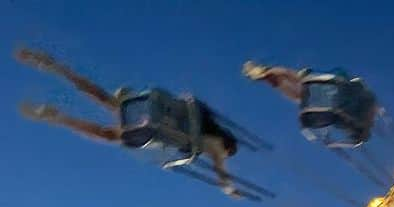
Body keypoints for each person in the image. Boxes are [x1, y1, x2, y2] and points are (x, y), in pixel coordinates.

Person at [16, 49, 242, 196]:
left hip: (153, 114)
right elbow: (221, 172)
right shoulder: (216, 147)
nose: (224, 156)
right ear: (227, 145)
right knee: (109, 133)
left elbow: (186, 100)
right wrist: (229, 189)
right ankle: (59, 117)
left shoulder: (202, 120)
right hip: (153, 129)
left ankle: (59, 69)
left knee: (106, 101)